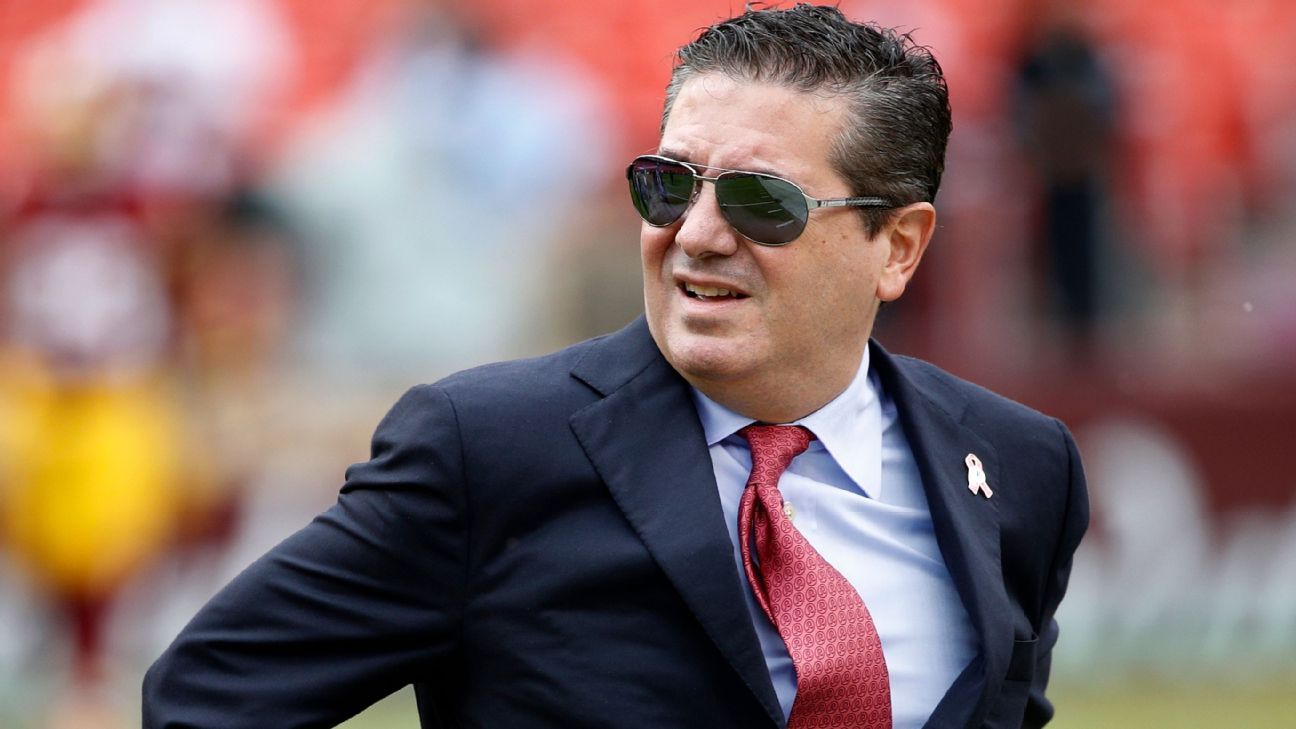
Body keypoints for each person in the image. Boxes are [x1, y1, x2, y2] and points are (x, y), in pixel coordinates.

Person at [143, 5, 1088, 728]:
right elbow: (207, 697)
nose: (698, 234)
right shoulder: (487, 451)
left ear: (899, 246)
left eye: (762, 201)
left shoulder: (1019, 466)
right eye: (668, 186)